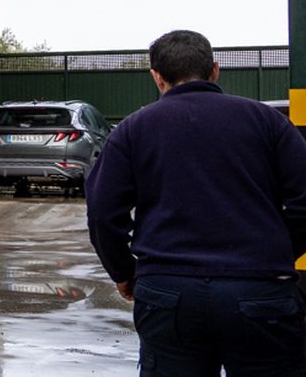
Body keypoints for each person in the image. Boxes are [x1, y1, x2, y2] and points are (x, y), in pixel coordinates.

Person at [85, 28, 306, 375]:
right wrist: (275, 253)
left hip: (168, 294)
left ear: (156, 77)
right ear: (215, 70)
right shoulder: (268, 123)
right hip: (261, 294)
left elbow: (102, 212)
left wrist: (124, 272)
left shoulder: (133, 130)